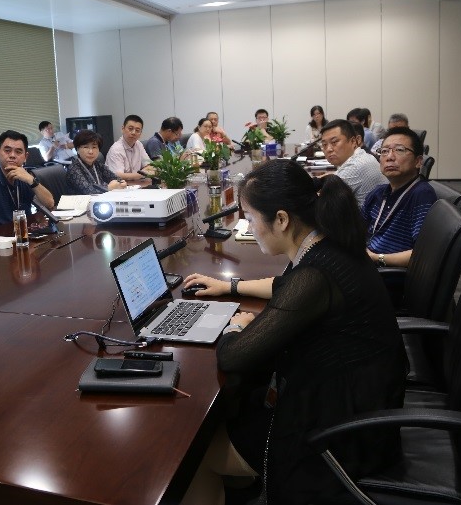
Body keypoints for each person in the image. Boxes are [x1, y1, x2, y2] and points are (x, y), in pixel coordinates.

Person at [180, 162, 406, 505]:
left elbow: (233, 357)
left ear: (282, 219)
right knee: (240, 403)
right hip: (363, 400)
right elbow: (288, 287)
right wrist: (230, 286)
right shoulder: (327, 244)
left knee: (195, 455)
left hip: (342, 433)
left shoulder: (315, 275)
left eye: (251, 217)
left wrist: (236, 327)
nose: (249, 227)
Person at [364, 127, 437, 268]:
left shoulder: (421, 194)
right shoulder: (378, 192)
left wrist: (377, 258)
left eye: (399, 150)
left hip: (385, 273)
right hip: (365, 263)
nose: (390, 157)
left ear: (418, 161)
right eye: (384, 151)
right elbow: (355, 228)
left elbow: (424, 253)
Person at [0, 130, 56, 226]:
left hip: (26, 232)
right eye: (7, 151)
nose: (12, 155)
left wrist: (31, 180)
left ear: (25, 157)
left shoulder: (25, 177)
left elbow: (50, 204)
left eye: (18, 152)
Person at [321, 119, 387, 206]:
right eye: (324, 144)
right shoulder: (361, 156)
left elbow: (325, 201)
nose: (329, 149)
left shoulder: (355, 166)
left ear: (353, 141)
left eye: (334, 142)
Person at [66, 130, 128, 194]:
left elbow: (115, 178)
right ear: (77, 149)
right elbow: (88, 191)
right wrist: (109, 187)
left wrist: (121, 182)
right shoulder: (74, 169)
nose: (91, 152)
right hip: (82, 200)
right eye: (86, 147)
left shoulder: (97, 164)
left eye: (94, 147)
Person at [105, 114, 153, 181]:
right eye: (130, 129)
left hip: (136, 184)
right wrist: (143, 174)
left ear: (141, 133)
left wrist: (144, 173)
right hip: (120, 185)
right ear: (123, 129)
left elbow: (149, 166)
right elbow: (118, 176)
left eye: (137, 130)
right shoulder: (116, 149)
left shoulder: (138, 144)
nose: (133, 133)